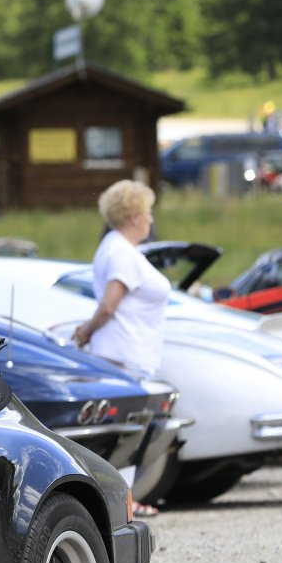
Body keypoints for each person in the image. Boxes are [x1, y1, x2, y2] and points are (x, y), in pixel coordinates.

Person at [72, 180, 172, 517]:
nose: (151, 219)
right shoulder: (120, 253)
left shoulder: (120, 249)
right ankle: (119, 505)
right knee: (127, 433)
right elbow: (109, 305)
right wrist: (87, 331)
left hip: (128, 352)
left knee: (130, 431)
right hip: (122, 354)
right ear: (134, 215)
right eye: (148, 212)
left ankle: (123, 501)